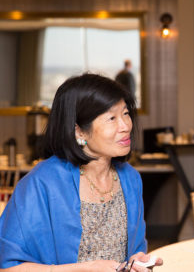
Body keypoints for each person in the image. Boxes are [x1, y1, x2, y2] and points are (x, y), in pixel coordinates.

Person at [0, 74, 162, 271]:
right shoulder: (41, 183)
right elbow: (8, 267)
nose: (126, 126)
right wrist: (84, 268)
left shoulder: (130, 178)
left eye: (126, 114)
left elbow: (133, 251)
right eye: (112, 118)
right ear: (79, 131)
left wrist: (135, 262)